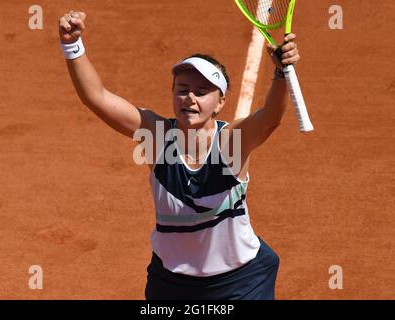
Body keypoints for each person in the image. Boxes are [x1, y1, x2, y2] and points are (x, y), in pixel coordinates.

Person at [59, 10, 300, 300]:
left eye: (202, 91)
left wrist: (280, 74)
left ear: (220, 102)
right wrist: (72, 45)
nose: (190, 98)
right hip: (172, 283)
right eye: (183, 89)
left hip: (241, 281)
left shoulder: (230, 143)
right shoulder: (157, 136)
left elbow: (269, 119)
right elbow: (96, 97)